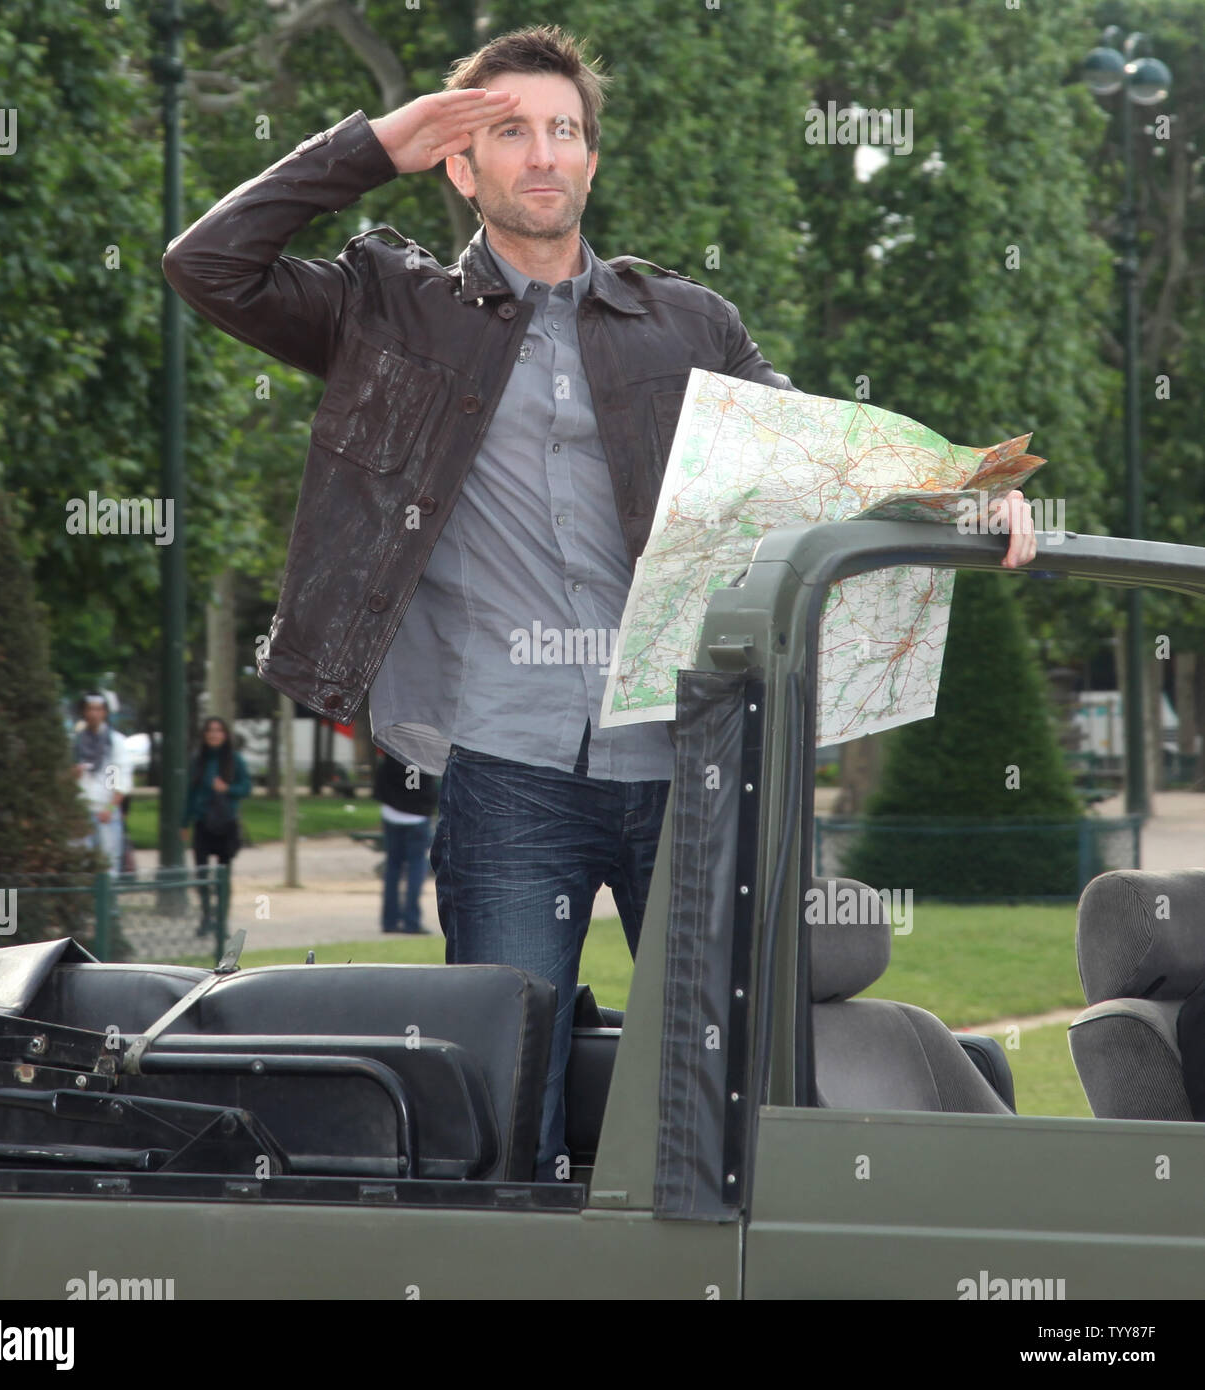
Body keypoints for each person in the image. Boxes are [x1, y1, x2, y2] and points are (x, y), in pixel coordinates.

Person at [163, 25, 1037, 1180]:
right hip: (506, 768)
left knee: (737, 1090)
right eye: (507, 131)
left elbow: (822, 462)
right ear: (461, 167)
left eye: (562, 130)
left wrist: (963, 499)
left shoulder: (689, 324)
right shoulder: (387, 309)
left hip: (692, 761)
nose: (541, 154)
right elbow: (206, 264)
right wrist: (371, 145)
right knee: (503, 1102)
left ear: (590, 159)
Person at [181, 716, 252, 934]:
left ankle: (221, 922)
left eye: (218, 730)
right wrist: (184, 822)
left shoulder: (235, 760)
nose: (214, 734)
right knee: (201, 874)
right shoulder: (198, 760)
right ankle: (205, 918)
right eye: (210, 730)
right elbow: (191, 794)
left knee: (223, 875)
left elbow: (246, 788)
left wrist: (227, 789)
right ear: (204, 735)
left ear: (225, 735)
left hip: (226, 823)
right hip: (203, 822)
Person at [373, 749, 438, 935]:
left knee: (393, 866)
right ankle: (411, 921)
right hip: (415, 815)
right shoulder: (420, 747)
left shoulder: (392, 741)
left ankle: (389, 920)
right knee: (415, 868)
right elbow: (414, 782)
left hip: (392, 811)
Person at [73, 693, 131, 876]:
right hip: (81, 809)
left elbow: (117, 776)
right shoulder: (76, 741)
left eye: (98, 710)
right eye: (90, 709)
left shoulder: (113, 742)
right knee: (80, 864)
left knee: (108, 865)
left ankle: (108, 905)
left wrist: (110, 806)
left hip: (105, 811)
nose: (94, 714)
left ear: (104, 713)